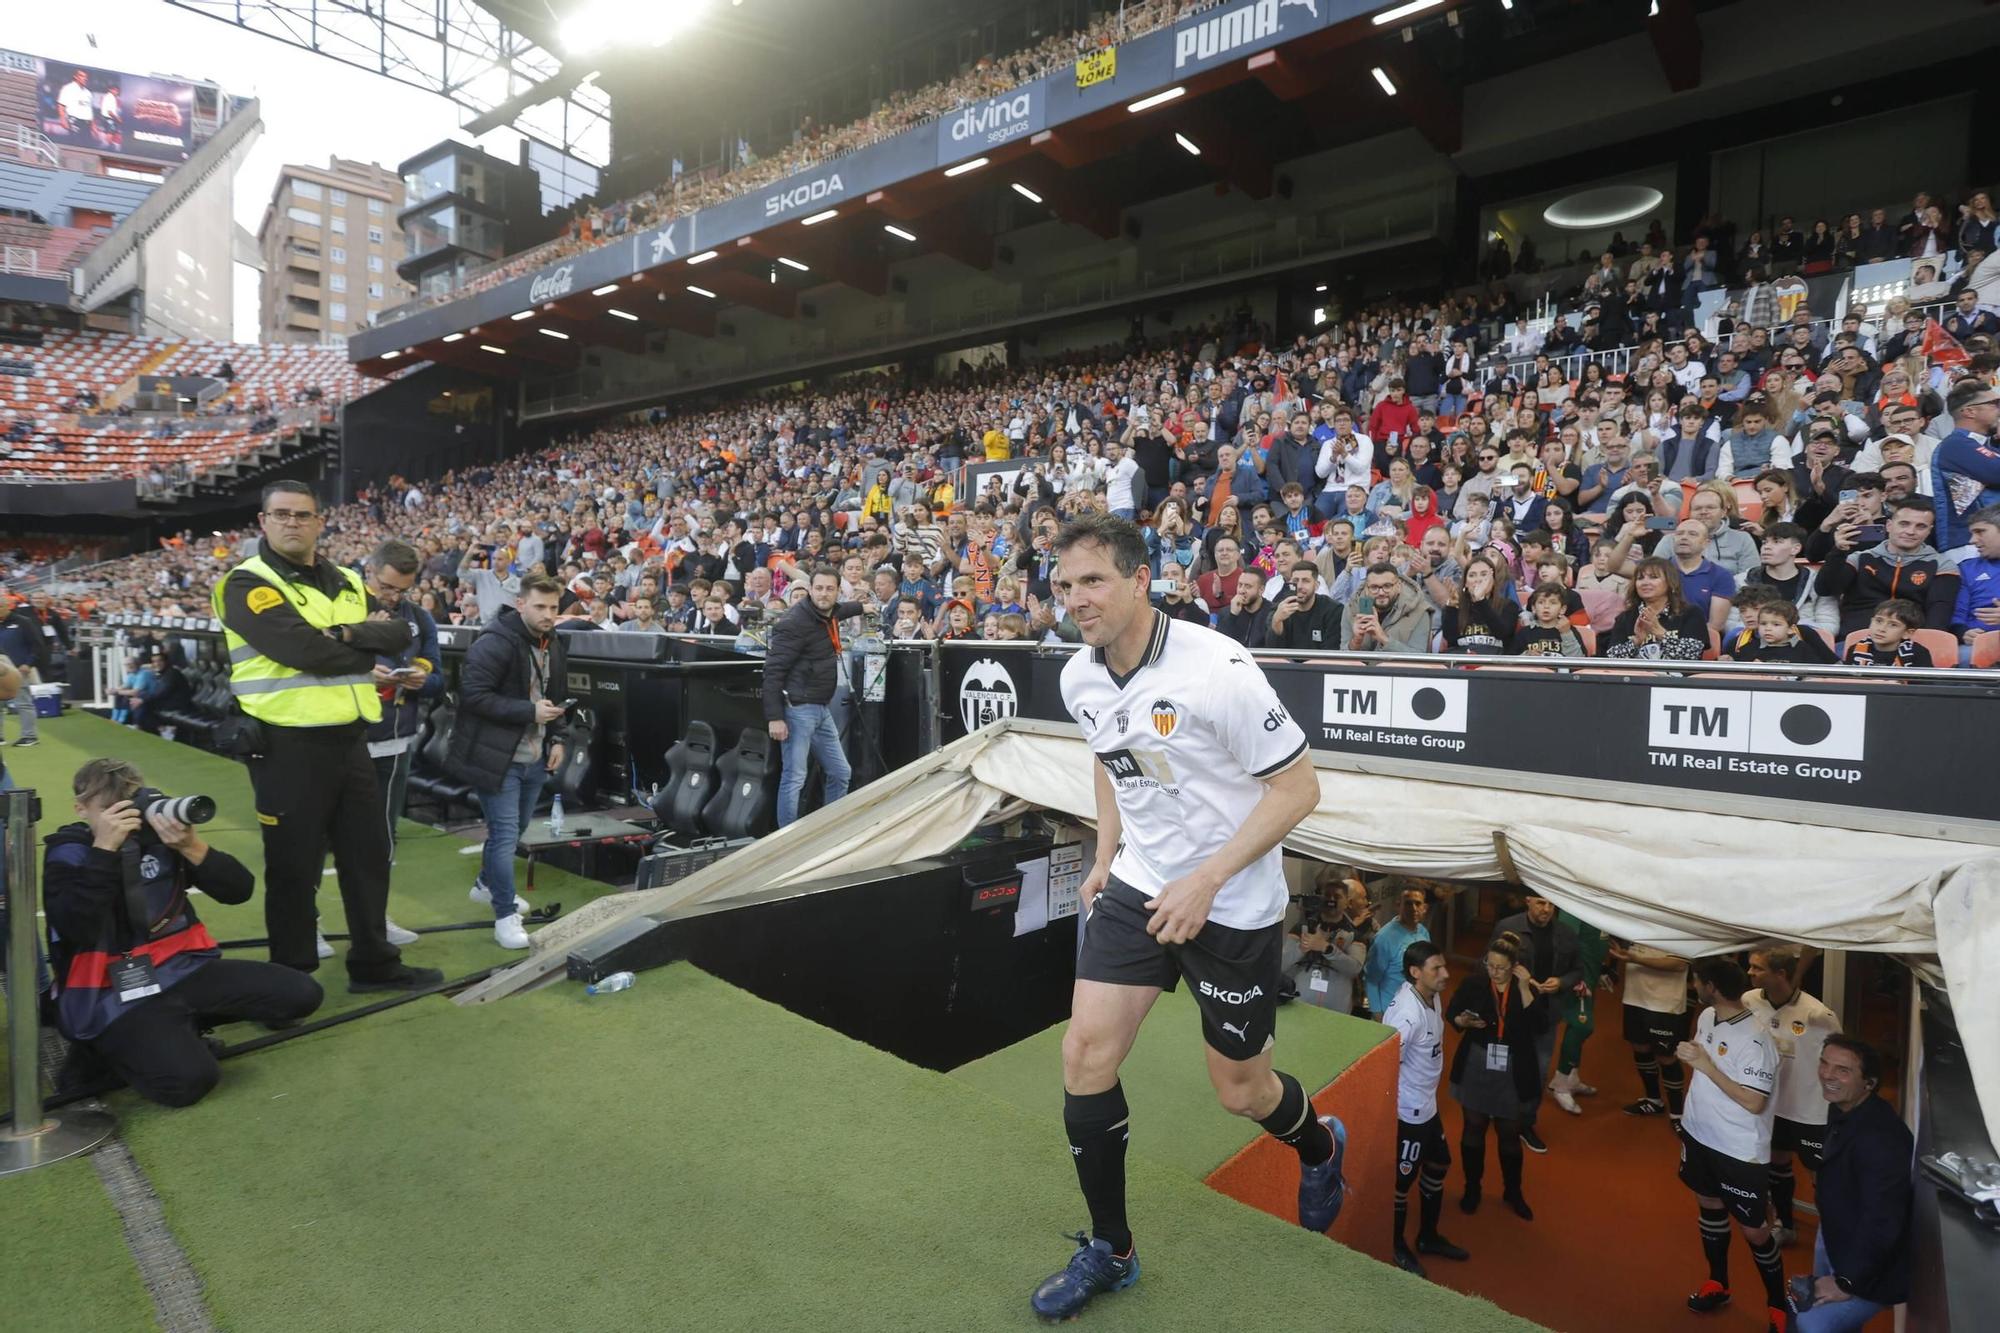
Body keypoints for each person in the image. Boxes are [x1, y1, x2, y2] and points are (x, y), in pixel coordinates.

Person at [1031, 513, 1338, 1322]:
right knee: (1085, 1053)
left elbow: (1299, 789)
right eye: (1064, 585)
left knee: (1240, 1091)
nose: (1077, 599)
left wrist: (1207, 879)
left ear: (1140, 579)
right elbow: (1110, 756)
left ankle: (1318, 1143)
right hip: (1141, 883)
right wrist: (1106, 854)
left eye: (1093, 580)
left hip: (1231, 902)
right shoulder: (1080, 677)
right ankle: (1112, 1248)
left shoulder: (1218, 668)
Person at [213, 481, 440, 992]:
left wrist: (339, 637)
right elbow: (300, 651)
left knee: (367, 857)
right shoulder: (246, 582)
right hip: (285, 742)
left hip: (350, 738)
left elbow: (400, 633)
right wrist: (357, 642)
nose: (292, 522)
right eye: (282, 514)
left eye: (303, 515)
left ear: (320, 522)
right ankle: (291, 979)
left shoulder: (341, 579)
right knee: (294, 866)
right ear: (264, 521)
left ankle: (374, 963)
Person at [43, 759, 323, 1105]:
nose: (128, 819)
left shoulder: (159, 838)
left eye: (132, 806)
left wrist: (191, 846)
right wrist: (105, 851)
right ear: (81, 809)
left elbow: (239, 890)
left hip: (182, 968)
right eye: (112, 810)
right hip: (111, 991)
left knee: (301, 994)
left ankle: (177, 1031)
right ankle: (100, 1051)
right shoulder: (70, 852)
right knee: (188, 1083)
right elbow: (75, 926)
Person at [445, 573, 568, 950]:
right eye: (540, 606)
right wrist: (529, 711)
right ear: (520, 604)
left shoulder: (554, 641)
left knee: (512, 834)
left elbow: (558, 693)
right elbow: (473, 696)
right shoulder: (495, 641)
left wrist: (559, 736)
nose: (548, 614)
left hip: (534, 754)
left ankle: (486, 884)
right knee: (502, 836)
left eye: (553, 607)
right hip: (496, 756)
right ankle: (504, 915)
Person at [1676, 957, 1790, 1333]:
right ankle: (1718, 1283)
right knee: (1708, 1204)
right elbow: (1702, 1056)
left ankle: (1778, 1305)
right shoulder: (1708, 1017)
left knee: (1755, 1231)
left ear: (1710, 985)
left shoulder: (1757, 1039)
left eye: (1697, 981)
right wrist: (1695, 1059)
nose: (1694, 987)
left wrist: (1707, 1066)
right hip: (1699, 1134)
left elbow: (1754, 1101)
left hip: (1738, 1150)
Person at [1798, 1036, 1912, 1333]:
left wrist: (1846, 1281)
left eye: (1842, 1070)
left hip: (1865, 1264)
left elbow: (1883, 1221)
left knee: (1810, 1324)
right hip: (1835, 1235)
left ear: (1869, 1083)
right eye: (1824, 1063)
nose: (1826, 1074)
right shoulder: (1843, 1105)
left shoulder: (1882, 1140)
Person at [361, 540, 441, 947]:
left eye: (401, 590)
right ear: (369, 572)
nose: (392, 597)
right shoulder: (342, 608)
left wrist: (422, 679)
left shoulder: (419, 618)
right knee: (320, 835)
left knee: (384, 835)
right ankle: (313, 919)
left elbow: (440, 679)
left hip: (395, 741)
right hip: (343, 740)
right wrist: (359, 672)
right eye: (386, 587)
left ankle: (376, 919)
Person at [1744, 946, 1841, 1247]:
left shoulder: (1818, 1015)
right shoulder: (1750, 1001)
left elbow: (1842, 1061)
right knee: (1777, 1164)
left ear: (1780, 974)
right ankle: (1786, 1224)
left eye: (1757, 968)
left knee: (1821, 1175)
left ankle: (1833, 1237)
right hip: (1772, 1106)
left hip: (1811, 1111)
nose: (1749, 973)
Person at [1445, 931, 1545, 1221]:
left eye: (1501, 967)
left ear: (1515, 966)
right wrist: (1461, 1021)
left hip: (1514, 1067)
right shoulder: (1475, 983)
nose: (1495, 972)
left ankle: (1512, 1191)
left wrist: (1526, 988)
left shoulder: (1526, 988)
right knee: (1473, 1127)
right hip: (1477, 1061)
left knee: (1509, 1133)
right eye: (1490, 965)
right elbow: (1453, 1013)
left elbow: (1539, 1026)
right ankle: (1472, 1188)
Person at [1385, 939, 1470, 1276]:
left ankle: (1428, 1236)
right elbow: (1387, 1064)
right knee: (1400, 1183)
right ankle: (1394, 1245)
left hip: (1429, 1105)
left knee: (1438, 1163)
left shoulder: (1431, 995)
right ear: (1415, 972)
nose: (1446, 974)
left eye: (1444, 965)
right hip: (1410, 1114)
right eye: (1438, 968)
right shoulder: (1406, 1015)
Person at [764, 564, 861, 827]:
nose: (823, 594)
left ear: (838, 592)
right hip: (797, 709)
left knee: (841, 772)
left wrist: (863, 607)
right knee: (795, 776)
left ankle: (828, 831)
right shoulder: (794, 622)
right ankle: (786, 842)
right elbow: (772, 671)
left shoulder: (828, 613)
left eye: (830, 589)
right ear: (809, 589)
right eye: (818, 588)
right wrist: (775, 717)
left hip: (820, 708)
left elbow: (841, 610)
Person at [1491, 894, 1579, 1155]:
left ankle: (1526, 1124)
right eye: (1541, 902)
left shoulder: (1566, 934)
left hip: (1545, 1015)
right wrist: (1518, 981)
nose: (1547, 909)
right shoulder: (1507, 928)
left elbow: (1577, 971)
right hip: (1511, 1013)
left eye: (1552, 904)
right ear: (1527, 900)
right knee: (1503, 1065)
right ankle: (1501, 1113)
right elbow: (1487, 966)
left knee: (1538, 1072)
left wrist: (1561, 982)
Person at [1614, 939, 1691, 1123]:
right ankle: (1653, 1100)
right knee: (1640, 1047)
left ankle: (1677, 1114)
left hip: (1664, 1003)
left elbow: (1679, 964)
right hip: (1635, 997)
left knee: (1666, 1056)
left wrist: (1636, 959)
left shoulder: (1678, 926)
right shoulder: (1637, 923)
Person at [1929, 380, 2000, 559]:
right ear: (1970, 411)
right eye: (1995, 404)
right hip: (1968, 546)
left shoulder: (1983, 445)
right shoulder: (1955, 445)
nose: (1999, 410)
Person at [1365, 885, 1432, 1017]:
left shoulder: (1423, 933)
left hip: (1416, 1009)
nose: (1413, 908)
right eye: (1408, 903)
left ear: (1424, 908)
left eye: (1418, 903)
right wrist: (1378, 1014)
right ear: (1398, 905)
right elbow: (1371, 979)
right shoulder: (1384, 938)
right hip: (1390, 1012)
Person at [0, 588, 47, 746]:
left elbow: (37, 645)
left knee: (23, 702)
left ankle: (30, 736)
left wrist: (28, 663)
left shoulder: (22, 621)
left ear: (8, 606)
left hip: (18, 669)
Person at [1841, 598, 1926, 669]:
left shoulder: (1918, 653)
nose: (1882, 629)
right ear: (1871, 621)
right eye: (1879, 621)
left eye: (1893, 625)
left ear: (1907, 633)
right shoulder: (1855, 649)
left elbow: (1926, 686)